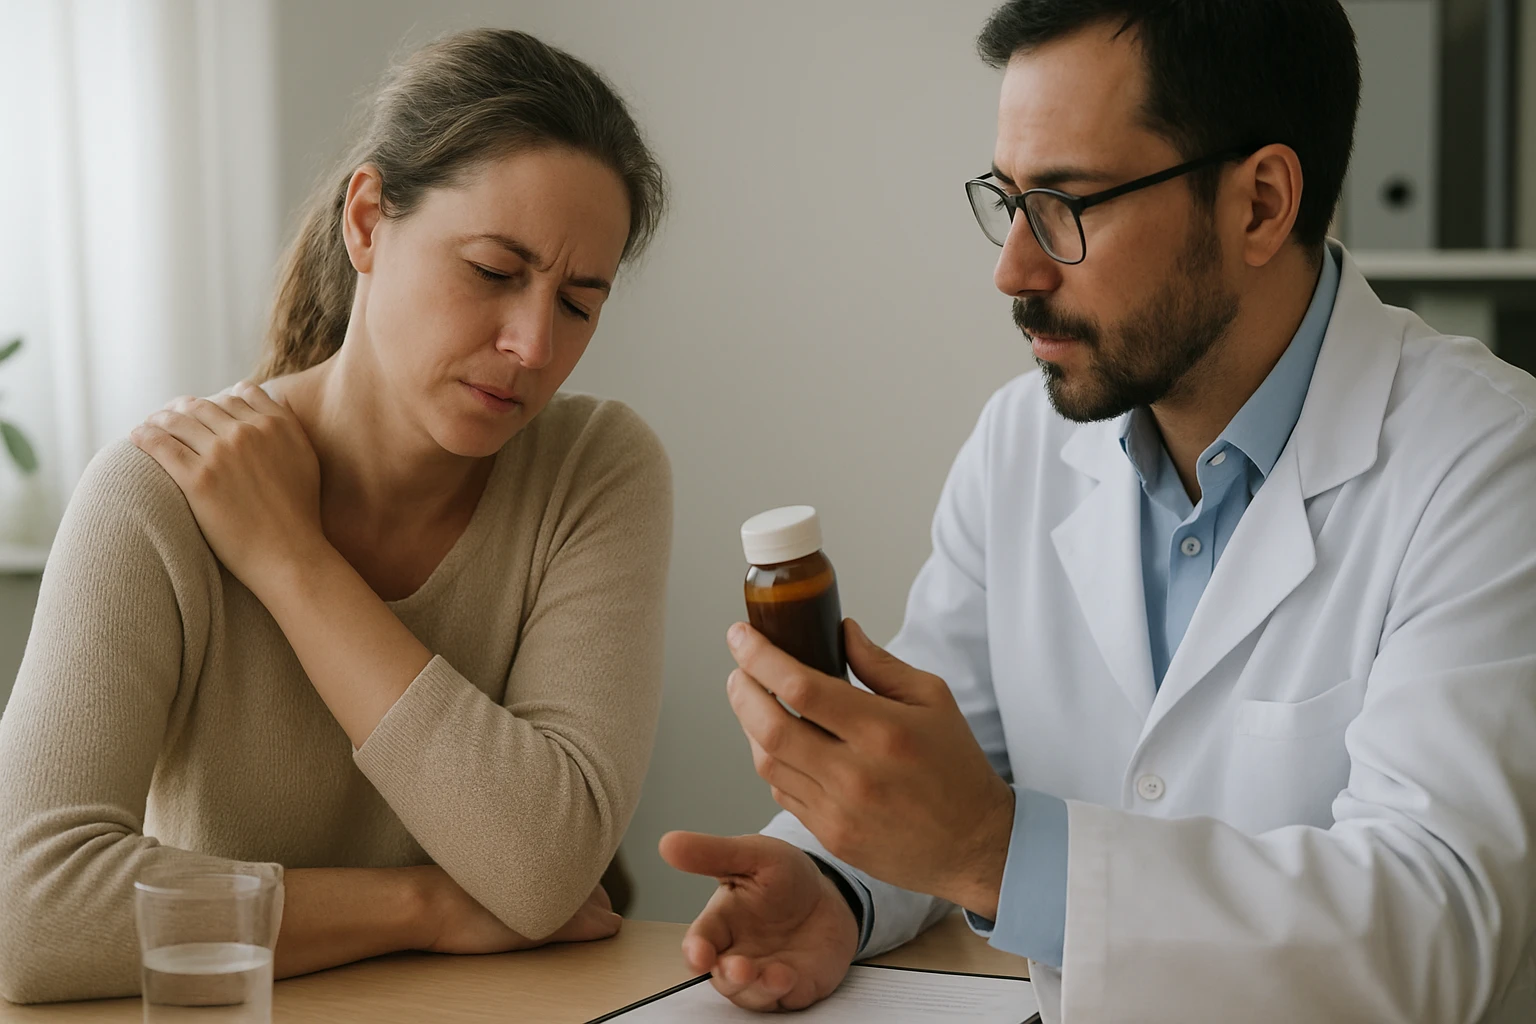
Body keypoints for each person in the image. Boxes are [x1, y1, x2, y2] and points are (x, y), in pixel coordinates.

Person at [661, 2, 1536, 1021]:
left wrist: (996, 851)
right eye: (1009, 199)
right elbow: (950, 769)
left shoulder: (1488, 468)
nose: (1013, 270)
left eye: (1067, 204)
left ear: (1260, 204)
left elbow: (1435, 927)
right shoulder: (1021, 442)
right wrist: (835, 883)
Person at [0, 28, 671, 1004]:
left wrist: (291, 561)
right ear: (366, 222)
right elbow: (27, 913)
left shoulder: (593, 469)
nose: (533, 345)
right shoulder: (158, 494)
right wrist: (421, 908)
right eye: (493, 270)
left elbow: (544, 867)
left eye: (577, 303)